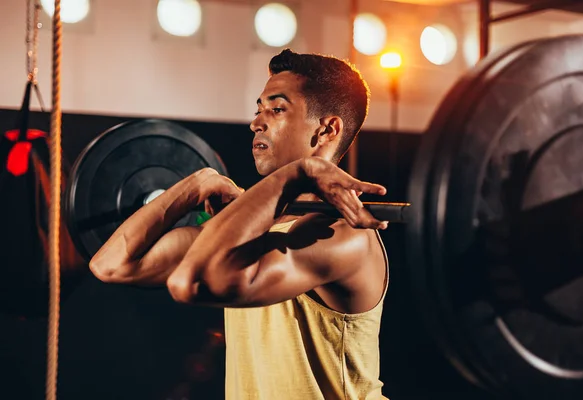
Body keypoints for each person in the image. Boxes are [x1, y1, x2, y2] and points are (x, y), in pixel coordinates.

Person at [90, 49, 390, 400]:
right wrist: (195, 184)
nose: (256, 123)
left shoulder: (341, 235)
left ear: (326, 130)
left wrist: (299, 172)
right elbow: (111, 264)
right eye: (258, 110)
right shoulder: (250, 228)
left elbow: (194, 282)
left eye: (276, 109)